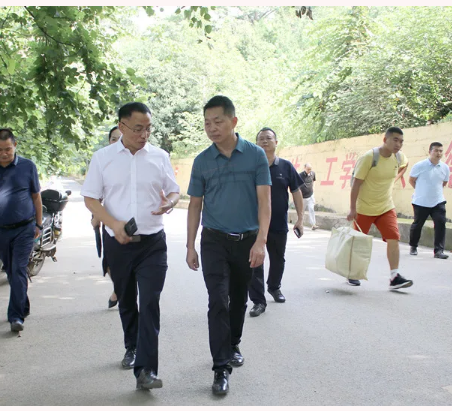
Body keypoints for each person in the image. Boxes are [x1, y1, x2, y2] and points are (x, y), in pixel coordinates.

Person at [81, 102, 180, 391]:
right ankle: (131, 346)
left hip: (153, 244)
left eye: (148, 128)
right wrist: (113, 224)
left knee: (149, 302)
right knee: (126, 300)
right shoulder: (103, 158)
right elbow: (90, 198)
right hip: (118, 244)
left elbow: (174, 190)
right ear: (122, 127)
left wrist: (170, 202)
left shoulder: (159, 156)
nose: (144, 135)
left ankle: (146, 370)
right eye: (138, 129)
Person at [186, 96, 271, 395]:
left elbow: (265, 201)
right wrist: (190, 245)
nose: (211, 128)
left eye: (218, 121)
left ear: (233, 121)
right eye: (207, 123)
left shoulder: (256, 155)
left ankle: (233, 343)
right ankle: (220, 367)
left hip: (247, 241)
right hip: (214, 240)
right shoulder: (202, 161)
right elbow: (195, 205)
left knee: (238, 299)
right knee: (218, 301)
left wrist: (261, 241)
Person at [0, 128, 43, 333]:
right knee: (11, 271)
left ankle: (15, 316)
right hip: (0, 230)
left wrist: (38, 224)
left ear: (15, 146)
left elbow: (36, 197)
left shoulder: (27, 166)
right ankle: (23, 304)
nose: (4, 153)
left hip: (25, 227)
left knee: (18, 268)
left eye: (8, 149)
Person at [346, 126, 413, 289]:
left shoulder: (399, 157)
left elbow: (405, 164)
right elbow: (356, 184)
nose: (398, 144)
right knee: (358, 242)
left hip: (386, 206)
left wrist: (396, 178)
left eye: (401, 141)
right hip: (364, 208)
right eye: (395, 140)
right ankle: (352, 272)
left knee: (393, 238)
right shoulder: (369, 158)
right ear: (385, 139)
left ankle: (394, 276)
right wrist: (352, 209)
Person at [249, 128, 304, 317]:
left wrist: (300, 219)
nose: (265, 141)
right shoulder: (252, 166)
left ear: (276, 142)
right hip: (254, 224)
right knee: (255, 261)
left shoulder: (286, 166)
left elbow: (296, 192)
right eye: (261, 139)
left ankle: (274, 287)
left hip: (278, 224)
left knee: (278, 259)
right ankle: (258, 301)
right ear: (256, 143)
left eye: (268, 138)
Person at [91, 126, 123, 308]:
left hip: (129, 223)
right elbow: (94, 193)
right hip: (107, 220)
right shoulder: (102, 160)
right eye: (113, 139)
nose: (117, 142)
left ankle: (121, 290)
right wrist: (96, 216)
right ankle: (119, 287)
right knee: (108, 262)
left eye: (120, 138)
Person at [408, 142, 450, 259]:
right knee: (417, 225)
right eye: (436, 150)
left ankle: (439, 251)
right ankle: (413, 246)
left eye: (440, 151)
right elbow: (411, 180)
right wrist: (421, 191)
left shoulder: (445, 167)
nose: (438, 153)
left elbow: (444, 183)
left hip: (438, 201)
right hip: (421, 202)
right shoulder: (419, 166)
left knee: (441, 224)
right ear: (430, 151)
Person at [299, 163, 318, 230]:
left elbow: (313, 181)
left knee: (311, 209)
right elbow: (297, 185)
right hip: (303, 197)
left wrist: (312, 188)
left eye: (310, 169)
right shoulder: (300, 175)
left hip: (311, 195)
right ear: (304, 168)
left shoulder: (313, 174)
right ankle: (300, 223)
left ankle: (313, 224)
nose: (309, 171)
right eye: (308, 169)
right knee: (302, 211)